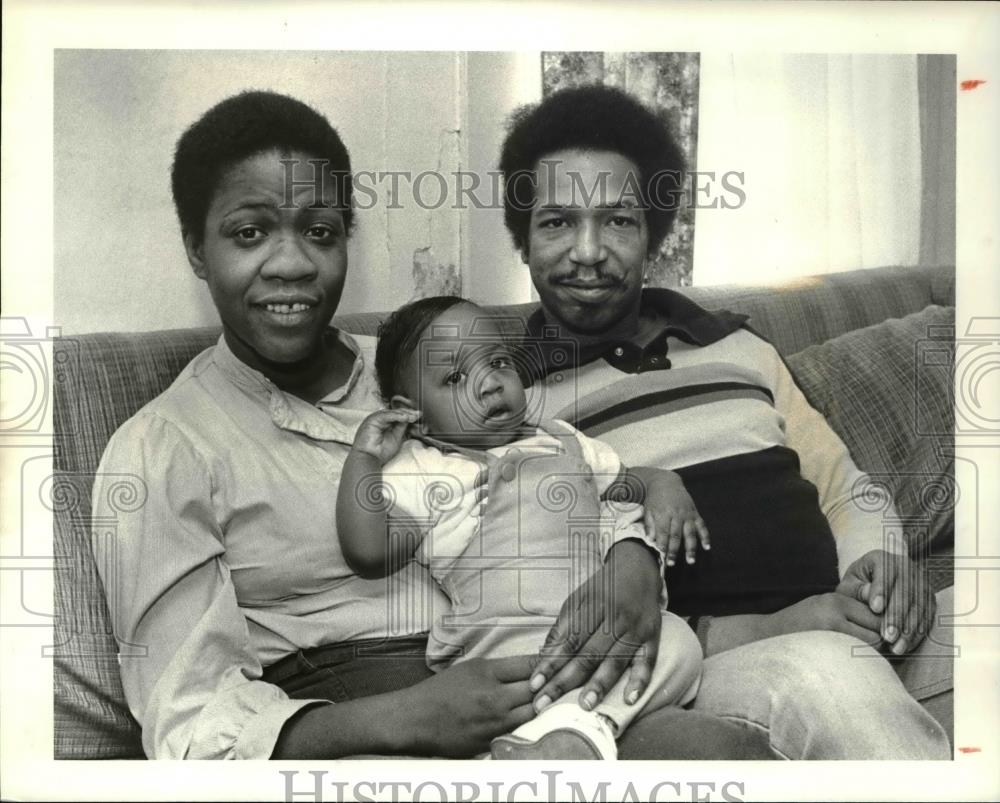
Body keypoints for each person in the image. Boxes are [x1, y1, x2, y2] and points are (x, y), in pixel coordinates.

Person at [91, 89, 768, 760]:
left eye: (320, 231)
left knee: (726, 753)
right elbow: (189, 721)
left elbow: (555, 471)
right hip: (363, 723)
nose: (292, 262)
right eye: (250, 232)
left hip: (538, 669)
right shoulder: (163, 448)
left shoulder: (430, 362)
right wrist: (401, 718)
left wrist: (632, 561)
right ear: (197, 248)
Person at [497, 83, 954, 759]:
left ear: (652, 233)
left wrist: (881, 564)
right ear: (523, 240)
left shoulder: (738, 347)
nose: (588, 251)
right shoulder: (512, 400)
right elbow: (556, 604)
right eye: (558, 222)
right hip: (706, 661)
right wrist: (791, 623)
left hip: (847, 617)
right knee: (834, 678)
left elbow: (842, 484)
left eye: (618, 220)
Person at [338, 295, 709, 759]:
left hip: (598, 627)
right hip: (506, 654)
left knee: (678, 643)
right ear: (412, 413)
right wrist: (364, 458)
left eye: (497, 361)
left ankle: (562, 737)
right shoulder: (428, 469)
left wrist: (665, 486)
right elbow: (368, 552)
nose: (490, 384)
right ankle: (577, 729)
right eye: (455, 378)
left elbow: (627, 482)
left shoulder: (560, 437)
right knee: (660, 662)